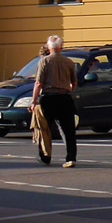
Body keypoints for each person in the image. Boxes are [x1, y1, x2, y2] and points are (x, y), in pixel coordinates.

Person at [30, 36, 79, 167]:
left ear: (49, 47)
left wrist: (34, 101)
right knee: (68, 130)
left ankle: (45, 156)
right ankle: (71, 157)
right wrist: (68, 91)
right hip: (65, 98)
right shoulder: (69, 62)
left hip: (48, 98)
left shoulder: (44, 61)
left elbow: (39, 83)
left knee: (44, 129)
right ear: (61, 47)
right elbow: (74, 82)